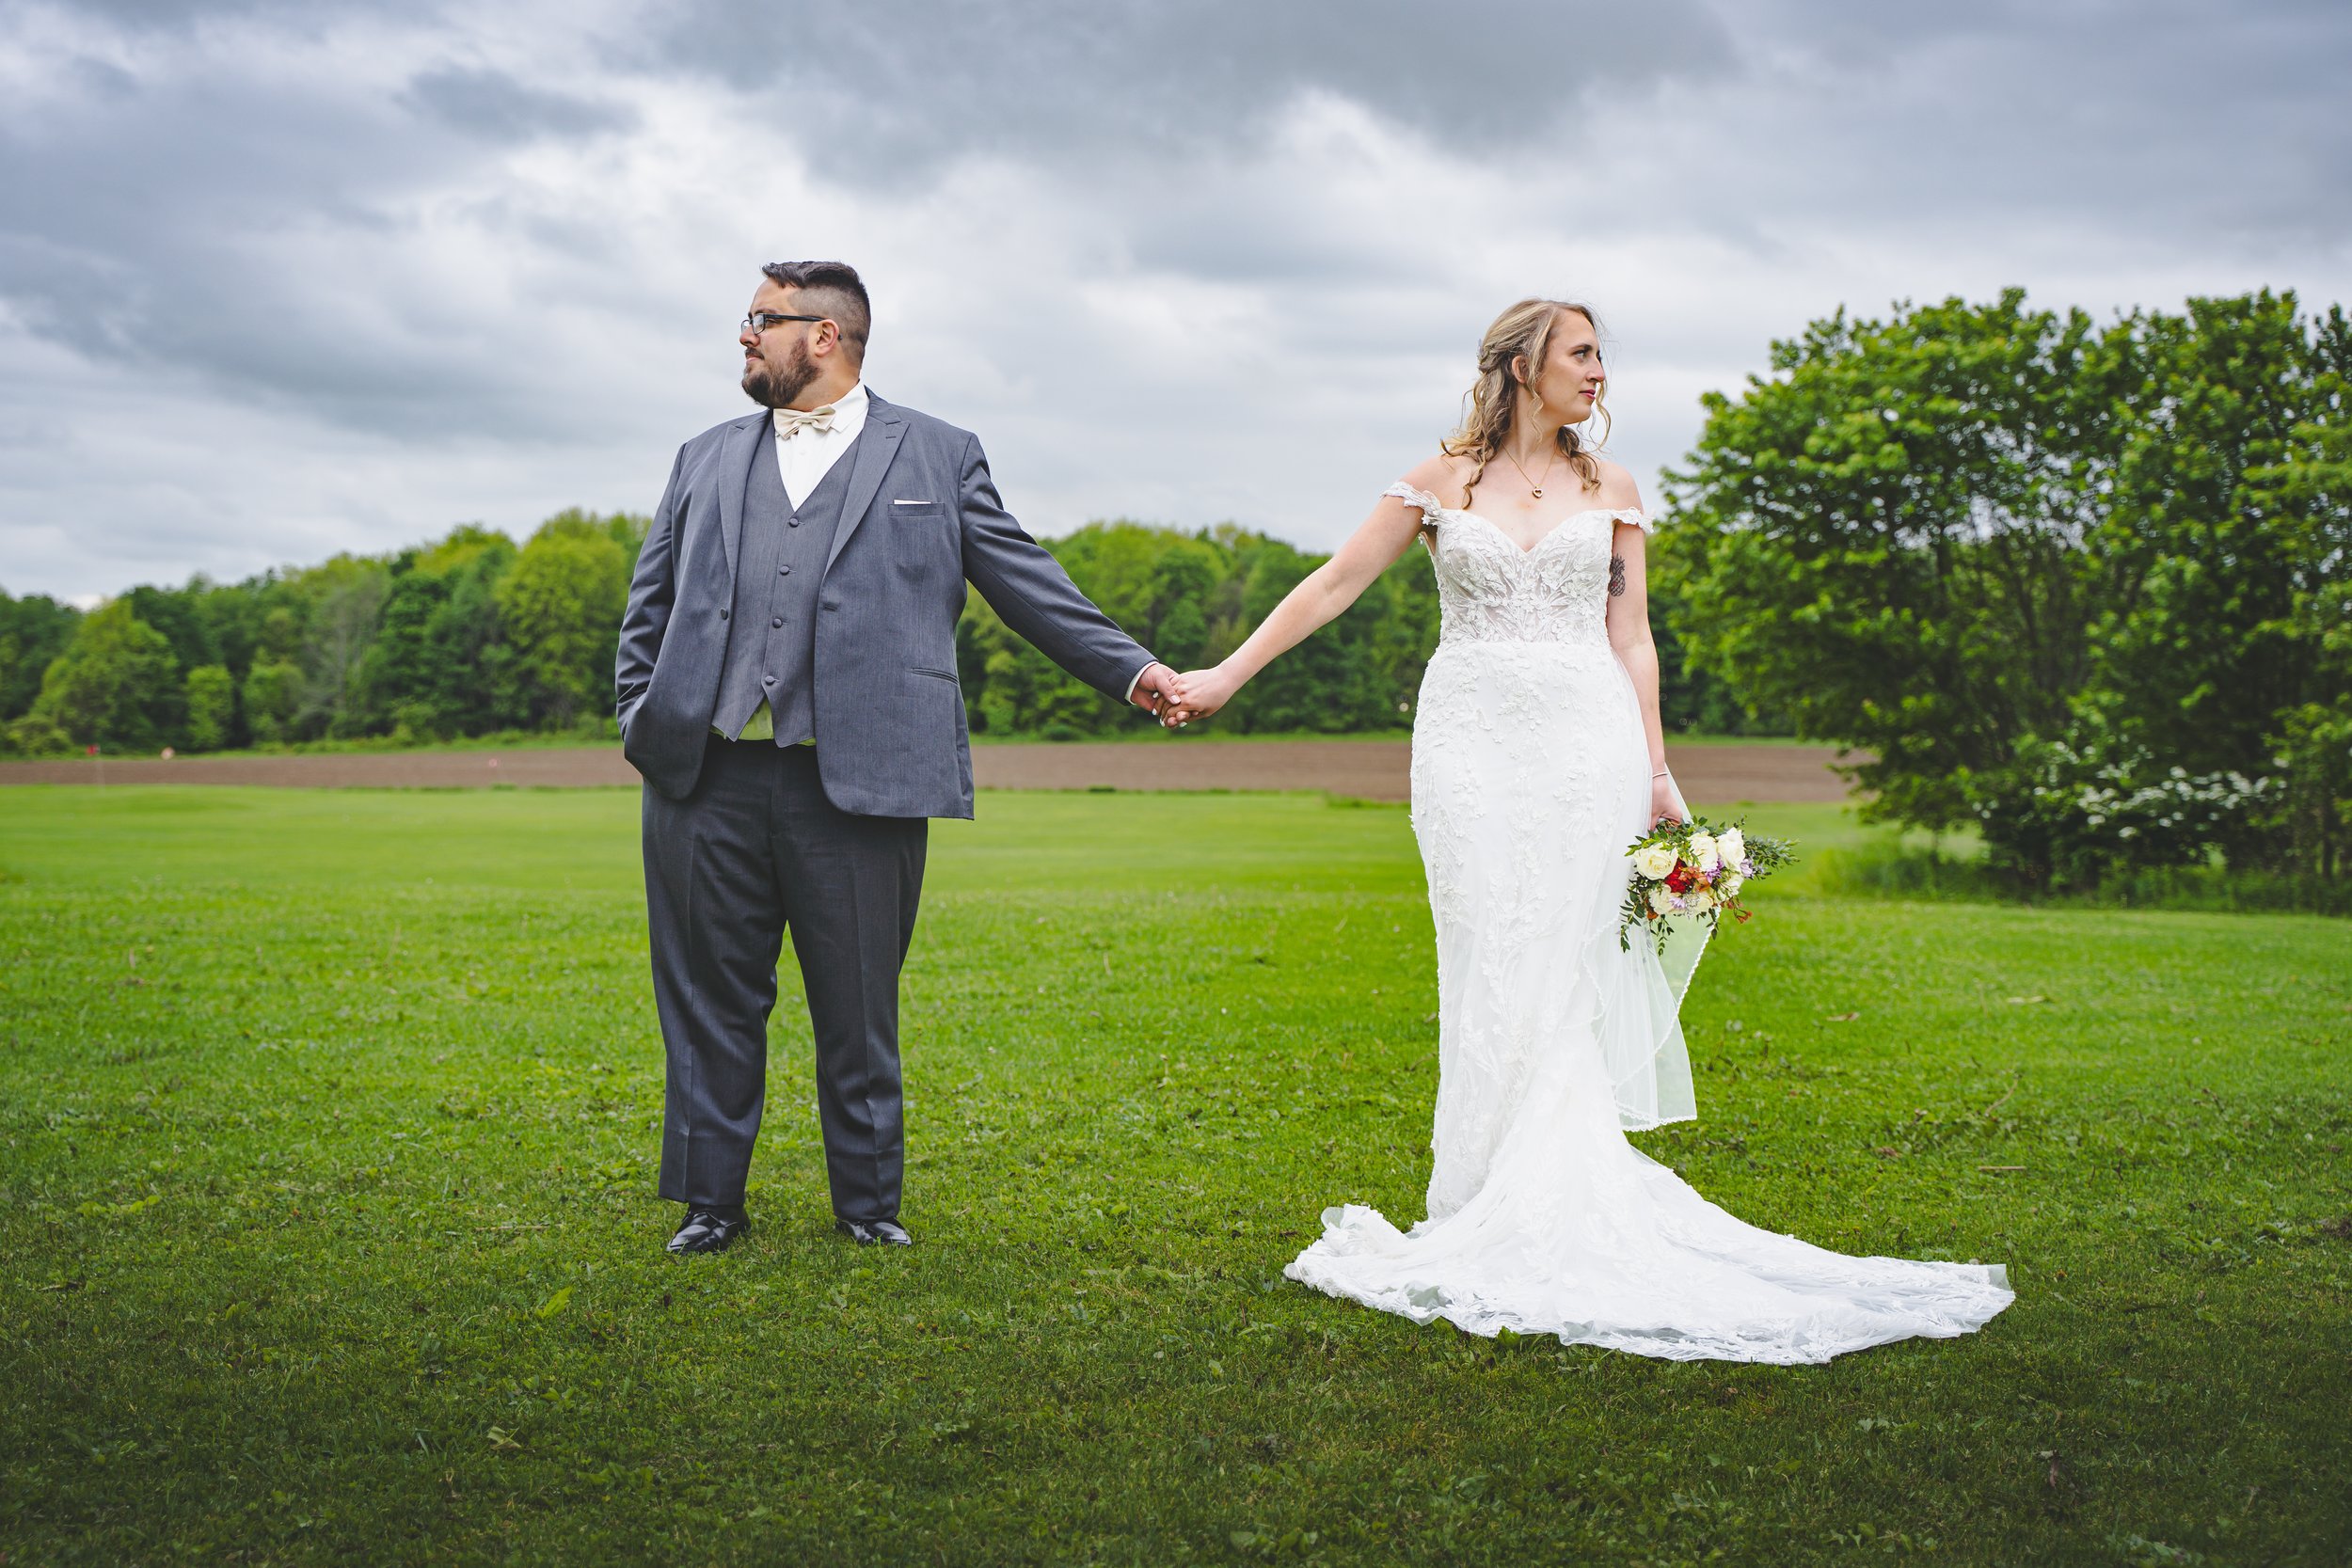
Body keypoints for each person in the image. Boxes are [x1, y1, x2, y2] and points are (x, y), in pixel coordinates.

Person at [1161, 298, 2013, 1361]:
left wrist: (1658, 770)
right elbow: (1335, 583)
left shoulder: (1611, 488)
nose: (1600, 373)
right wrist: (1226, 675)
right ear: (1523, 366)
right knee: (1484, 948)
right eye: (1583, 354)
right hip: (1467, 741)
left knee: (1563, 958)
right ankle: (1477, 1190)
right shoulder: (1434, 484)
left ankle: (1551, 1186)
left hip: (1584, 743)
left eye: (1601, 356)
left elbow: (1632, 633)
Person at [616, 261, 1179, 1255]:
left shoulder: (940, 452)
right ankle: (710, 1202)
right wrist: (641, 715)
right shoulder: (700, 456)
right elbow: (648, 607)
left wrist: (1132, 672)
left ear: (825, 336)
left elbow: (1025, 581)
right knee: (707, 1000)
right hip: (704, 777)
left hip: (865, 776)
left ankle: (867, 1204)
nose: (743, 337)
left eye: (761, 320)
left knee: (859, 1000)